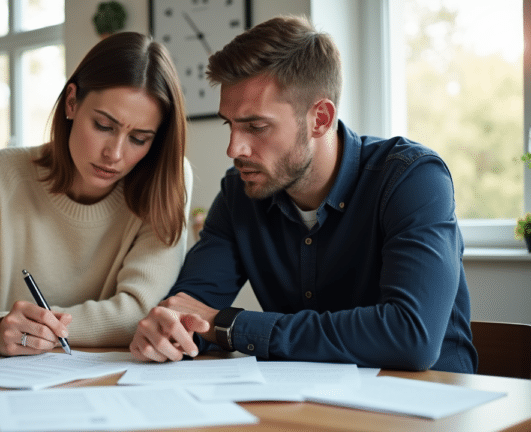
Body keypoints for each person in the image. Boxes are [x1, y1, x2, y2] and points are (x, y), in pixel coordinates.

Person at [129, 15, 478, 374]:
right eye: (229, 125)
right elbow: (189, 312)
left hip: (429, 403)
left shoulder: (412, 178)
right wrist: (169, 331)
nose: (234, 148)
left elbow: (410, 338)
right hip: (308, 407)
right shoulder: (240, 194)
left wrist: (231, 325)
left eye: (256, 126)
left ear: (320, 118)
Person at [0, 32, 192, 357]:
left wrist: (41, 329)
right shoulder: (0, 175)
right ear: (71, 102)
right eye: (103, 126)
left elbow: (140, 314)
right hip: (0, 383)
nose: (114, 154)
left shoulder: (167, 181)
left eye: (139, 139)